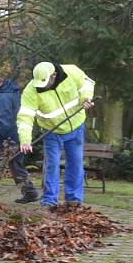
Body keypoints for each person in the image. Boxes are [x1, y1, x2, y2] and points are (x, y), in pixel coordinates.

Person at [17, 62, 95, 209]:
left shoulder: (72, 71)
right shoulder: (31, 90)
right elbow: (25, 116)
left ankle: (74, 200)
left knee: (76, 163)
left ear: (53, 76)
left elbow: (87, 84)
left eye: (46, 83)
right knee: (52, 165)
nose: (42, 87)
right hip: (51, 131)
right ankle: (49, 202)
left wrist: (85, 97)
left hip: (76, 126)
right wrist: (25, 139)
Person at [0, 71, 39, 203]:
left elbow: (3, 123)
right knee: (16, 165)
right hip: (18, 134)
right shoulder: (12, 92)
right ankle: (29, 192)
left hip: (8, 137)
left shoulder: (3, 98)